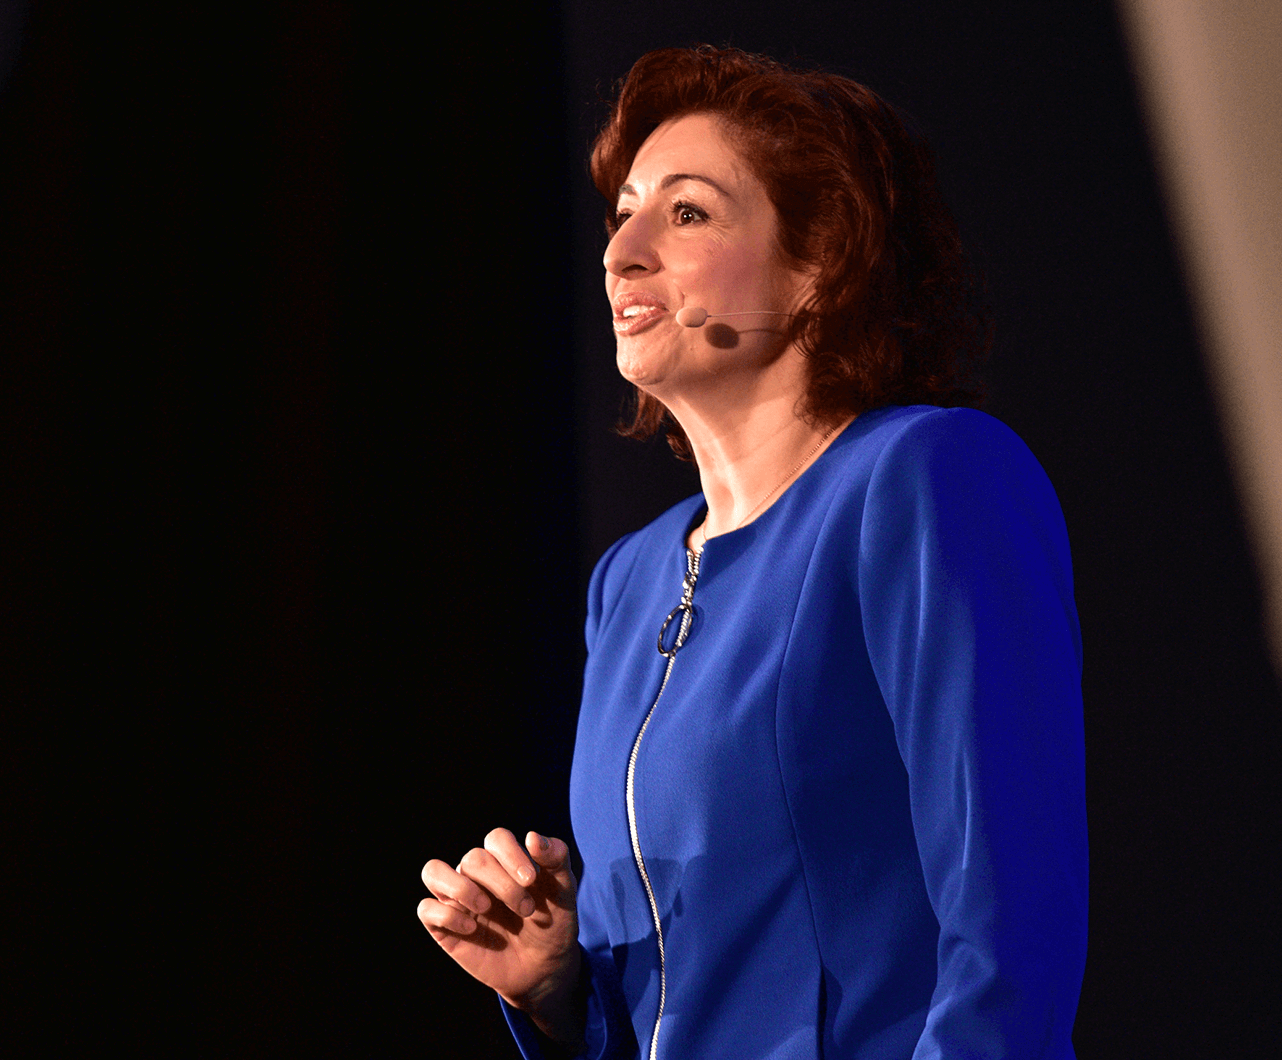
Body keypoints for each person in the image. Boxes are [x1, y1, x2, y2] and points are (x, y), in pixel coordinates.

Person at [417, 47, 1087, 1060]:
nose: (622, 251)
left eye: (685, 213)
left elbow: (1010, 931)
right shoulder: (628, 579)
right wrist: (561, 991)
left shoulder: (924, 477)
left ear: (820, 261)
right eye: (622, 214)